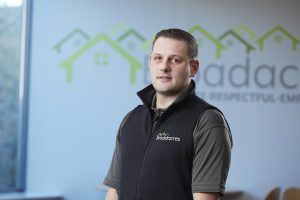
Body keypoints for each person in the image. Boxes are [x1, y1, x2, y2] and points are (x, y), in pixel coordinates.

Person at [103, 28, 232, 200]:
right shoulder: (131, 119)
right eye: (158, 58)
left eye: (175, 60)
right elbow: (114, 191)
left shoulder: (207, 122)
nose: (164, 67)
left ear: (193, 68)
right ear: (150, 63)